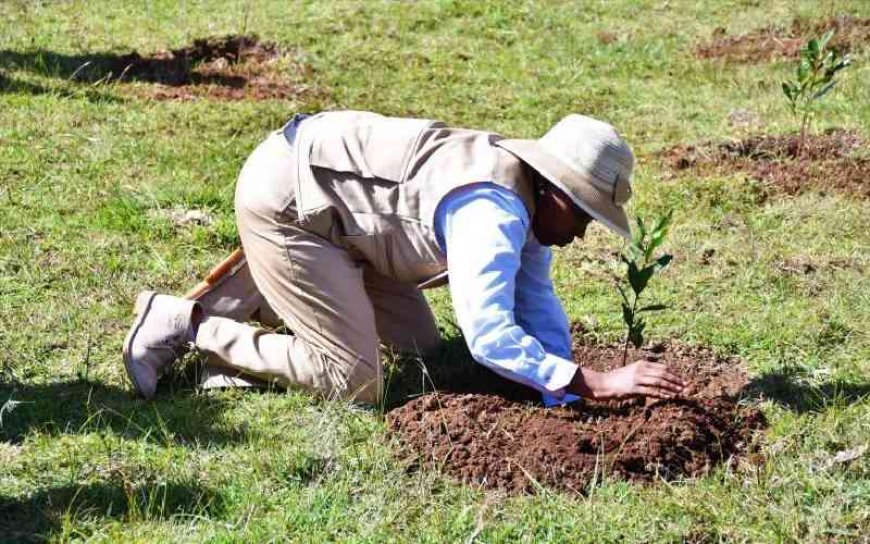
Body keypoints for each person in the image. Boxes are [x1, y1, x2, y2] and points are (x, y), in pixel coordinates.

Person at [122, 111, 686, 405]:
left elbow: (532, 298)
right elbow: (488, 334)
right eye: (585, 217)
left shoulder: (531, 205)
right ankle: (192, 324)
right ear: (559, 194)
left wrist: (558, 391)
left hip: (350, 223)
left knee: (418, 351)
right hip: (293, 203)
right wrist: (592, 381)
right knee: (353, 379)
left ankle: (273, 289)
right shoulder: (492, 213)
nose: (583, 234)